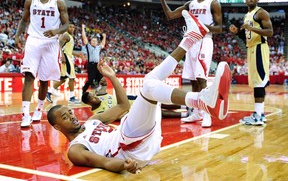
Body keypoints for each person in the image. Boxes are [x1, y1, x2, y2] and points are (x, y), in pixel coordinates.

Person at [47, 11, 231, 173]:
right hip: (129, 149)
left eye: (69, 111)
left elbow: (123, 106)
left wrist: (113, 77)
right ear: (57, 127)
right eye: (64, 116)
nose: (71, 115)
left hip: (139, 139)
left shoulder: (91, 121)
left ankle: (190, 38)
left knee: (151, 79)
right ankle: (202, 101)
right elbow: (103, 162)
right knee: (149, 87)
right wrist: (124, 166)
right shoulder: (74, 149)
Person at [159, 0, 223, 127]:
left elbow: (219, 28)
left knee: (201, 79)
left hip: (204, 41)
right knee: (193, 80)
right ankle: (196, 112)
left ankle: (207, 114)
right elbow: (170, 15)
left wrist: (201, 26)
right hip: (191, 42)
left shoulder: (213, 3)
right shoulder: (191, 4)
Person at [14, 0, 69, 127]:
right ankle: (25, 114)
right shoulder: (31, 1)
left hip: (51, 44)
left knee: (45, 80)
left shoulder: (59, 3)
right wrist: (18, 35)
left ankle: (38, 110)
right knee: (29, 77)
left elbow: (66, 24)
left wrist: (56, 31)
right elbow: (24, 20)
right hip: (33, 41)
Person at [229, 0, 273, 126]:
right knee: (256, 82)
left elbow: (270, 32)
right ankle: (260, 114)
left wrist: (251, 28)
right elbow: (247, 37)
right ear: (245, 0)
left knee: (258, 82)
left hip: (260, 47)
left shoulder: (261, 13)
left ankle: (258, 115)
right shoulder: (247, 15)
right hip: (252, 48)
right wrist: (237, 33)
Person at [81, 77, 190, 119]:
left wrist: (102, 81)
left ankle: (186, 106)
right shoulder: (98, 113)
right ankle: (185, 114)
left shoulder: (100, 94)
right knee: (159, 112)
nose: (95, 98)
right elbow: (115, 117)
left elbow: (103, 84)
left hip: (131, 98)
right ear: (89, 103)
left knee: (159, 102)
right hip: (132, 110)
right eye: (93, 99)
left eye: (93, 95)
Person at [46, 23, 83, 104]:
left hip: (68, 56)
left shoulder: (70, 37)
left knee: (63, 78)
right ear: (67, 28)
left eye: (73, 27)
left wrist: (76, 54)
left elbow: (68, 49)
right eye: (70, 27)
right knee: (72, 77)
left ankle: (49, 92)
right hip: (66, 58)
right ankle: (72, 97)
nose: (72, 28)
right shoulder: (66, 36)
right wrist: (62, 56)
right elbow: (59, 45)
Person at [81, 24, 106, 92]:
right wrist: (83, 28)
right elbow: (84, 37)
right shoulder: (88, 46)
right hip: (91, 65)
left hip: (97, 65)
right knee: (90, 80)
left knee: (100, 78)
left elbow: (103, 44)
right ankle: (84, 89)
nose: (94, 42)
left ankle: (98, 91)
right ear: (91, 42)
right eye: (93, 41)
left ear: (97, 42)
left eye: (95, 41)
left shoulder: (98, 47)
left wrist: (104, 37)